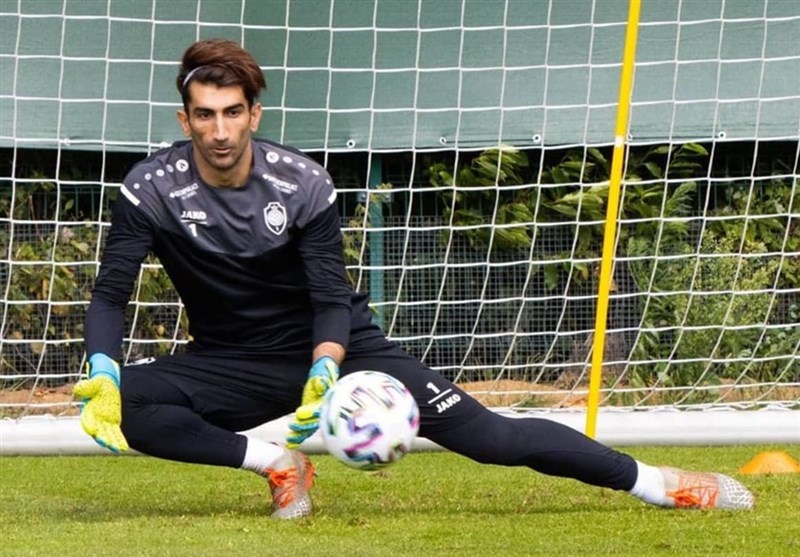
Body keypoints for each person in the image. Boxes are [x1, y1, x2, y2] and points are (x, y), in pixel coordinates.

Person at [74, 38, 755, 520]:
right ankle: (278, 464)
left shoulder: (303, 184)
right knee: (127, 404)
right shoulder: (150, 188)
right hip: (231, 359)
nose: (219, 130)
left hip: (340, 350)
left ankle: (663, 484)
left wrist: (326, 365)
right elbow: (110, 293)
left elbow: (329, 295)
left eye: (232, 112)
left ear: (254, 113)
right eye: (204, 114)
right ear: (185, 118)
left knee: (492, 439)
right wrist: (102, 368)